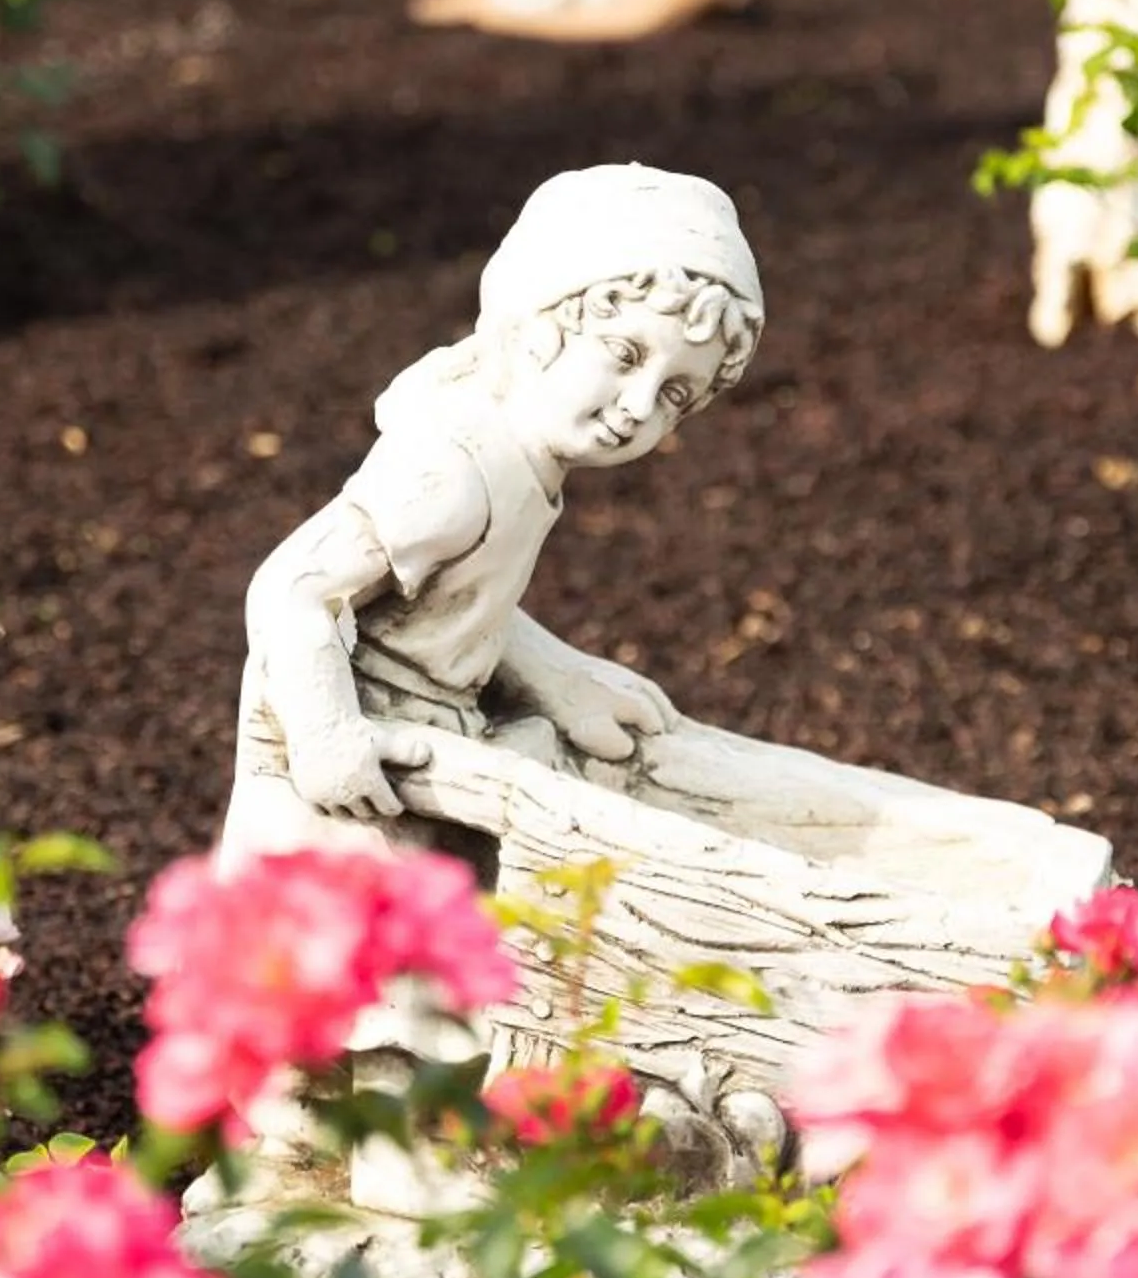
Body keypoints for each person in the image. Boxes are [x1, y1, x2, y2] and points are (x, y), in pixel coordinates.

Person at [220, 163, 765, 866]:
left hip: (432, 756)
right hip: (353, 788)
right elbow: (291, 590)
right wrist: (327, 737)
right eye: (625, 354)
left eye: (675, 397)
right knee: (344, 962)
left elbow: (452, 603)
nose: (639, 406)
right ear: (538, 322)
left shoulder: (523, 465)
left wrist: (561, 681)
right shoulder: (450, 474)